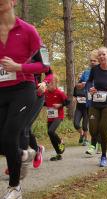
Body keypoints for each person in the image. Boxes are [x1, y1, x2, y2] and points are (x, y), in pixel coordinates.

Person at [0, 0, 50, 197]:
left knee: (10, 134)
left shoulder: (28, 30)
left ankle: (15, 188)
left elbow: (44, 66)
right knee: (3, 140)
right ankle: (22, 154)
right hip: (1, 91)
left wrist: (19, 67)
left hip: (23, 89)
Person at [44, 75, 70, 161]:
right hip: (50, 116)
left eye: (50, 84)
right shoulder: (46, 93)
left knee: (51, 131)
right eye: (48, 84)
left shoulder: (60, 93)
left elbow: (68, 102)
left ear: (55, 84)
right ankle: (58, 154)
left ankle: (61, 143)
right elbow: (44, 102)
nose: (48, 85)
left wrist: (60, 105)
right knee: (51, 135)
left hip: (59, 116)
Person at [73, 75, 89, 146]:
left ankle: (86, 140)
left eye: (81, 78)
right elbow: (74, 96)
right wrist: (74, 99)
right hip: (79, 108)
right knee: (76, 124)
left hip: (87, 109)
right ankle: (81, 133)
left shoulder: (88, 87)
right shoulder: (76, 87)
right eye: (79, 78)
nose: (80, 80)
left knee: (85, 125)